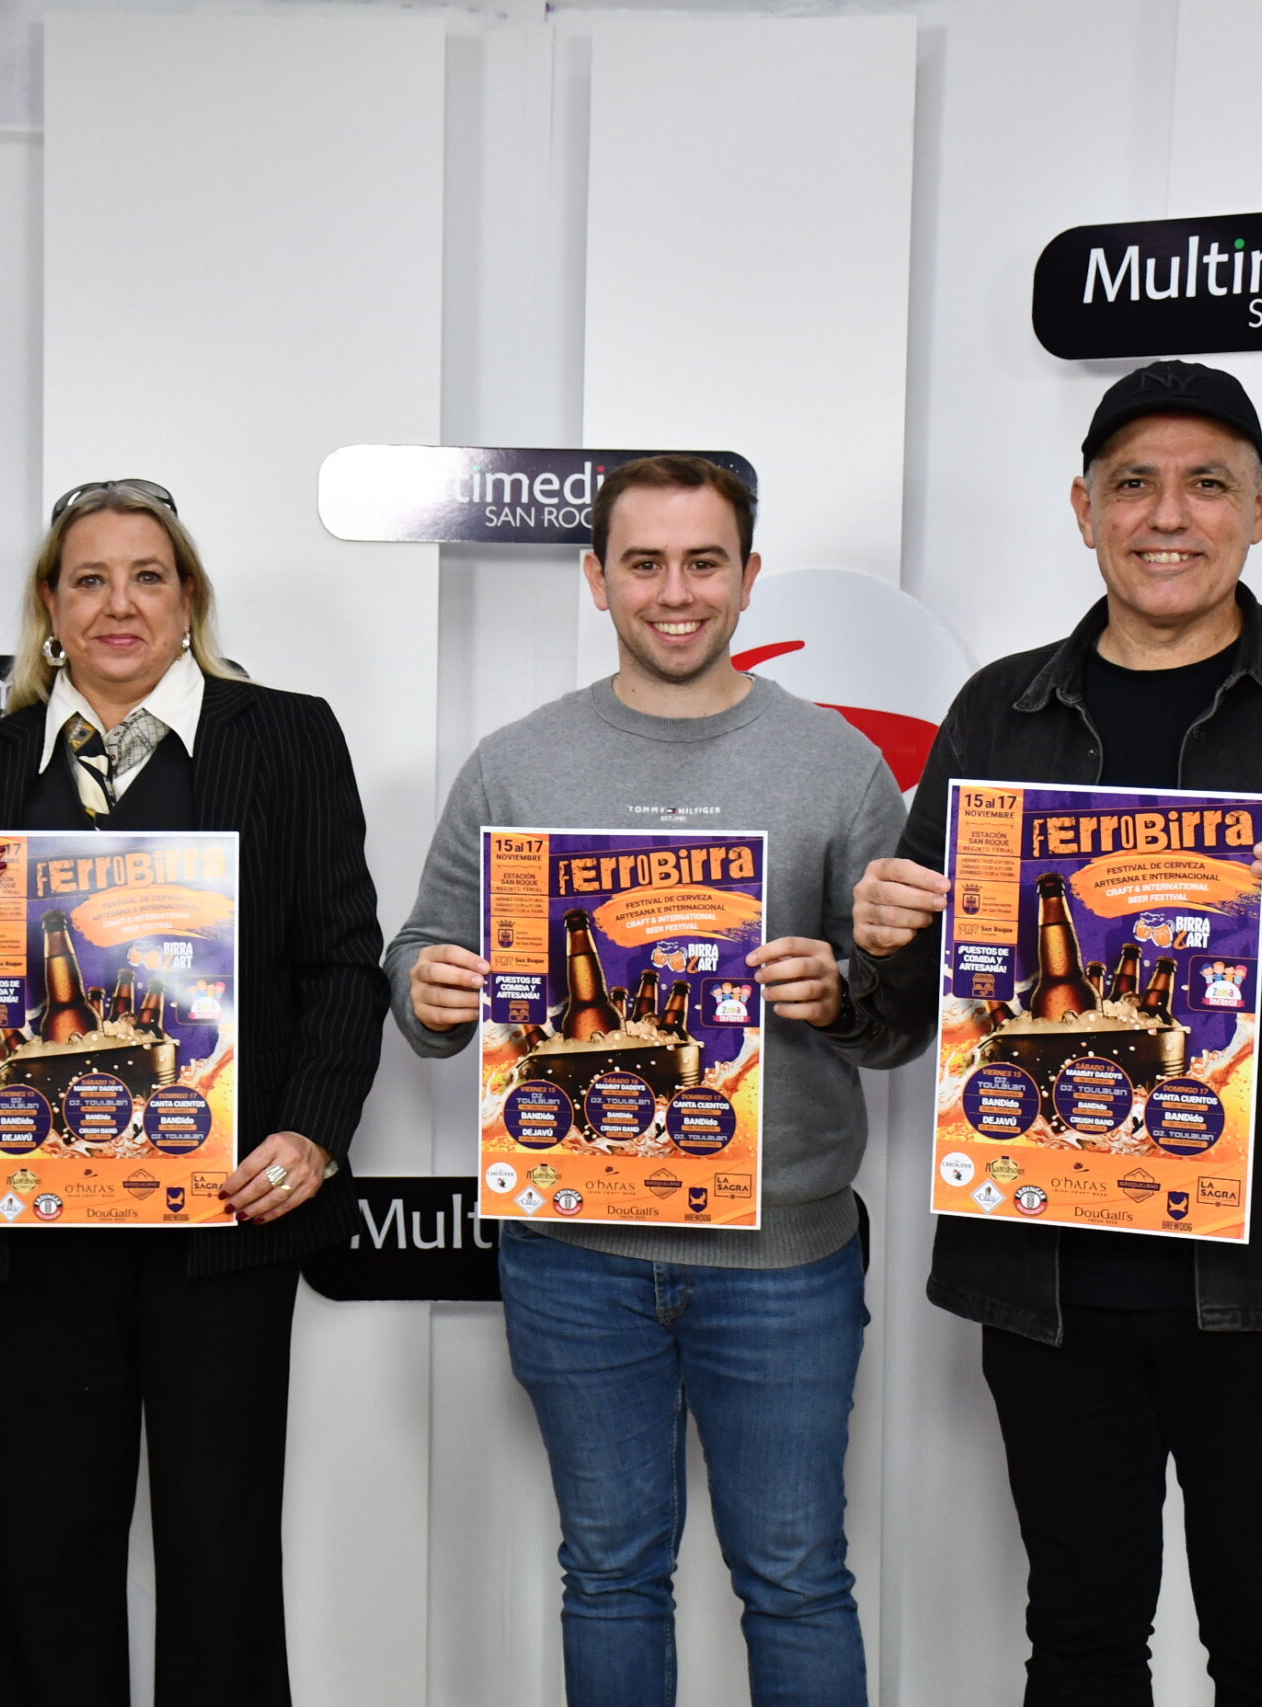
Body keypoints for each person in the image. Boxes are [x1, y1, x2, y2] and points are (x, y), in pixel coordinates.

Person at [838, 360, 1262, 1705]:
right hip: (1046, 1280)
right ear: (1085, 507)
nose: (1168, 514)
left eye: (1207, 483)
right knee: (1078, 1644)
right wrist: (889, 939)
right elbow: (896, 1028)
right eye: (1133, 483)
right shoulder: (999, 710)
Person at [385, 455, 911, 1707]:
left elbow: (904, 1022)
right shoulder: (515, 765)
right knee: (611, 1575)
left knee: (795, 1578)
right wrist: (428, 990)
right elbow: (420, 956)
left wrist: (844, 990)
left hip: (783, 1256)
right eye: (644, 564)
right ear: (596, 578)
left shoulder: (836, 765)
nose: (675, 593)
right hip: (573, 1253)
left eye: (703, 563)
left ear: (748, 576)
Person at [0, 479, 387, 1706]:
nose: (118, 604)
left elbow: (343, 963)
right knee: (51, 1546)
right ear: (50, 606)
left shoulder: (285, 736)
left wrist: (312, 1133)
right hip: (46, 1220)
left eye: (147, 577)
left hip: (227, 1216)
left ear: (187, 601)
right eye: (89, 579)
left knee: (222, 1545)